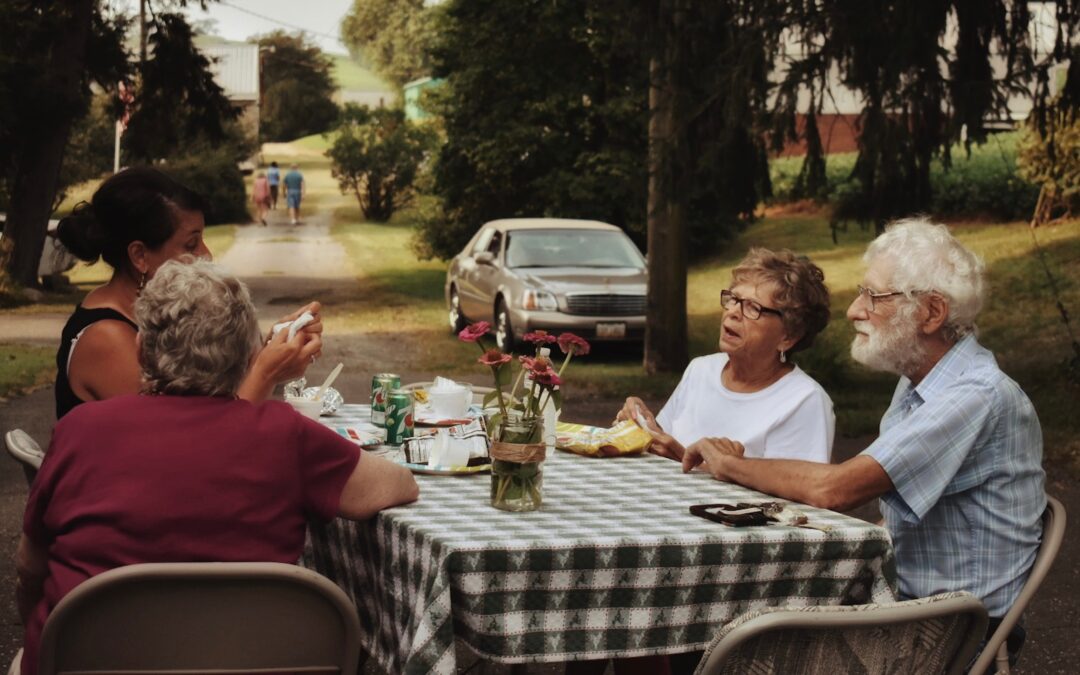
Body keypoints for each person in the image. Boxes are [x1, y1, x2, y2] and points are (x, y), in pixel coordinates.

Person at [15, 259, 419, 675]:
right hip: (245, 662)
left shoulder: (79, 429)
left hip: (86, 663)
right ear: (249, 355)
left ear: (140, 349)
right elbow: (396, 485)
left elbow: (31, 567)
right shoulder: (285, 434)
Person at [682, 219, 1045, 670]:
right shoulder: (920, 382)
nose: (855, 310)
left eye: (874, 296)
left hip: (950, 632)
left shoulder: (975, 395)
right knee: (733, 628)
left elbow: (836, 488)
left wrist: (729, 463)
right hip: (906, 608)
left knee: (742, 651)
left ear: (932, 312)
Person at [54, 167, 322, 420]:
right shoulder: (106, 338)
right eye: (191, 244)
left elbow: (204, 413)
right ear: (140, 256)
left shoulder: (158, 319)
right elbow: (188, 442)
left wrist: (268, 352)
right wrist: (265, 373)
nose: (206, 255)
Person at [618, 248, 834, 463]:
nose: (733, 312)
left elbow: (792, 484)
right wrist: (643, 424)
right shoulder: (701, 370)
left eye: (753, 307)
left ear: (789, 336)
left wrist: (681, 458)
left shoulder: (804, 400)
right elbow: (662, 446)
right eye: (733, 299)